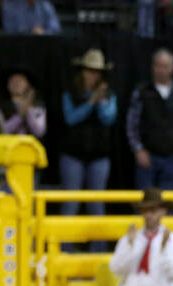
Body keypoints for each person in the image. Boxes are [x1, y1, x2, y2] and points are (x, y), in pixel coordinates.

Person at [126, 48, 173, 193]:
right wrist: (138, 149)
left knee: (170, 203)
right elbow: (132, 123)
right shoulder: (142, 91)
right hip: (147, 154)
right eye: (158, 65)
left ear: (172, 68)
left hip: (172, 156)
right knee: (144, 202)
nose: (161, 70)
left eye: (165, 66)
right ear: (152, 67)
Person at [59, 49, 117, 220]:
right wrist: (91, 102)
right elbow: (70, 118)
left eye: (96, 72)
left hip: (99, 155)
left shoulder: (108, 94)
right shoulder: (70, 93)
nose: (93, 75)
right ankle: (65, 245)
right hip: (73, 153)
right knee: (70, 203)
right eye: (90, 71)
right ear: (82, 71)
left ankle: (98, 247)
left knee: (97, 204)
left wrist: (100, 102)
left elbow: (109, 118)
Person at [0, 66, 46, 139]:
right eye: (13, 81)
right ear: (8, 85)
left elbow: (39, 132)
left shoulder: (36, 105)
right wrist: (19, 116)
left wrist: (28, 112)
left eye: (20, 81)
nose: (17, 84)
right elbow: (0, 131)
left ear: (28, 84)